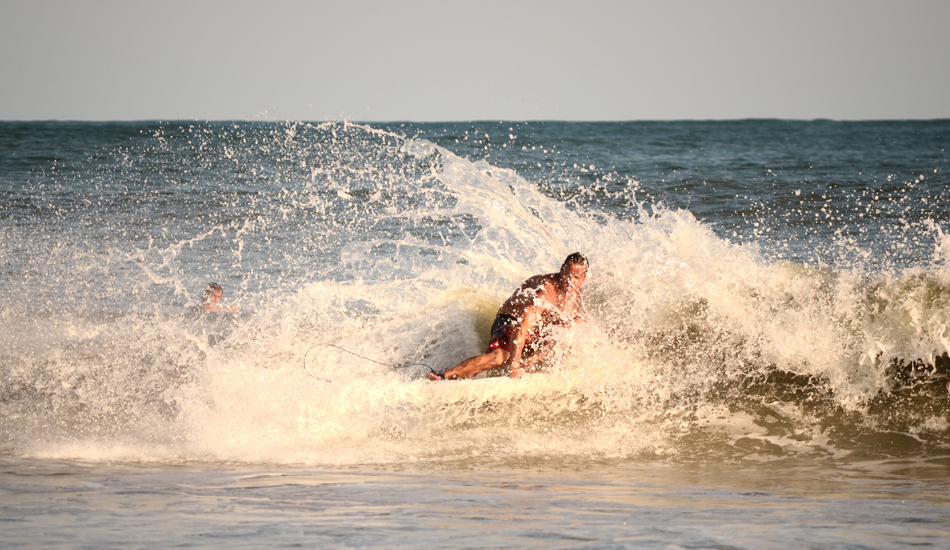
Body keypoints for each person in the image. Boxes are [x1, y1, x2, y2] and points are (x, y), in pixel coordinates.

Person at [428, 253, 588, 380]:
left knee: (575, 327)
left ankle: (529, 362)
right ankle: (443, 377)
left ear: (584, 278)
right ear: (562, 269)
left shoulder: (575, 294)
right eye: (567, 275)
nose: (570, 281)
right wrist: (514, 367)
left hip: (534, 330)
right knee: (498, 358)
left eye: (576, 278)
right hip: (510, 321)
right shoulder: (545, 291)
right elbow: (521, 328)